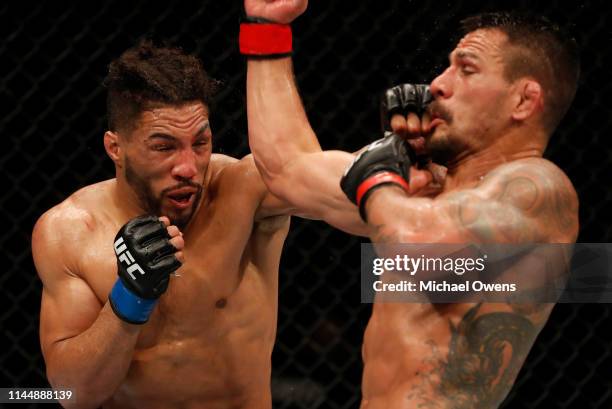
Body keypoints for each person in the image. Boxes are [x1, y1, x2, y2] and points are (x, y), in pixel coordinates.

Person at [242, 0, 580, 407]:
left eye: (467, 69)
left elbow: (421, 247)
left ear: (523, 101)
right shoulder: (424, 194)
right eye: (447, 65)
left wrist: (381, 175)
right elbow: (287, 169)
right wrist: (268, 28)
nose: (438, 83)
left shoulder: (539, 188)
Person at [31, 42, 307, 409]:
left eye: (201, 142)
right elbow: (72, 394)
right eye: (164, 147)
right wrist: (131, 296)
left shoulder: (245, 191)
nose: (189, 168)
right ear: (115, 148)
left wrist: (400, 158)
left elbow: (334, 185)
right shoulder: (70, 231)